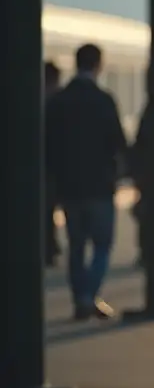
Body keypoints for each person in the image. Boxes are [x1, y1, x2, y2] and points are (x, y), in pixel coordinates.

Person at [45, 43, 128, 320]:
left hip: (69, 187)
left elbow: (48, 144)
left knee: (76, 246)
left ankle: (81, 298)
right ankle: (88, 295)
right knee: (102, 245)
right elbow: (118, 141)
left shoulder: (58, 101)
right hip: (100, 186)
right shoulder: (104, 100)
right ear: (98, 65)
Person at [43, 61, 63, 266]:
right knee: (48, 207)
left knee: (46, 208)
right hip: (54, 169)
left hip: (46, 167)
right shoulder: (58, 103)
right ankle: (49, 246)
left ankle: (49, 245)